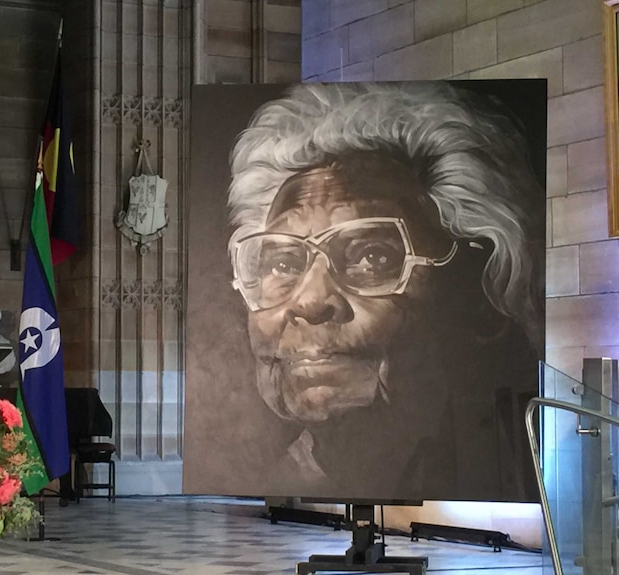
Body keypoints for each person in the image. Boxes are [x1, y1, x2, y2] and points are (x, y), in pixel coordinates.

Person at [225, 82, 544, 501]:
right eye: (283, 264)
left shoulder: (518, 470)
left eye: (371, 257)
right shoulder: (278, 486)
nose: (309, 301)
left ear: (481, 294)